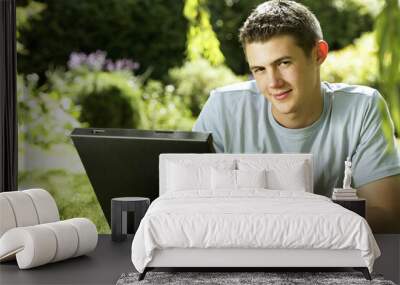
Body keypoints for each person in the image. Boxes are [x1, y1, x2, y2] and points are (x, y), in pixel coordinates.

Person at [193, 0, 400, 232]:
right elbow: (190, 206)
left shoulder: (363, 108)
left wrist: (284, 224)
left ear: (318, 54)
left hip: (333, 261)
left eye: (284, 63)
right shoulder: (222, 109)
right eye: (259, 69)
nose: (273, 83)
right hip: (240, 257)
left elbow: (387, 214)